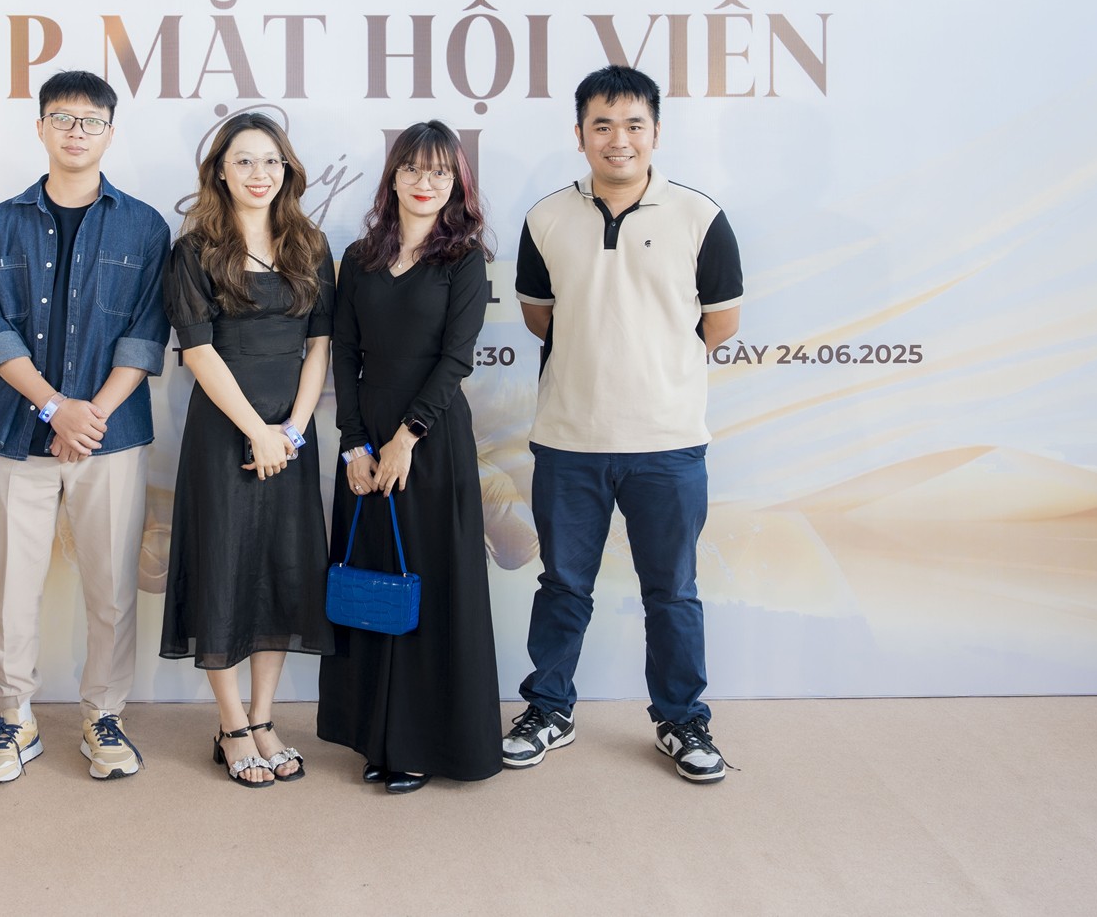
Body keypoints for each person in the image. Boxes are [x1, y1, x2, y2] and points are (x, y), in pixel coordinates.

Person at [502, 65, 744, 783]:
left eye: (634, 124)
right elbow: (539, 315)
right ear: (579, 134)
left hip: (668, 444)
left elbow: (721, 324)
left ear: (656, 132)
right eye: (602, 125)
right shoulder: (546, 218)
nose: (619, 139)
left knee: (672, 592)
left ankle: (682, 720)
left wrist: (654, 368)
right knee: (562, 585)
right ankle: (549, 710)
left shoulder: (699, 217)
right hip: (569, 440)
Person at [0, 70, 171, 785]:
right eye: (62, 117)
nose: (76, 131)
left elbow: (145, 336)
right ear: (41, 127)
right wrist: (56, 407)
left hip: (110, 438)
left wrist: (90, 417)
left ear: (110, 132)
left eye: (90, 120)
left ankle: (103, 715)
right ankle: (14, 718)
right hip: (16, 434)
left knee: (111, 589)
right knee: (13, 588)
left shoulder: (144, 226)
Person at [317, 121, 502, 794]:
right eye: (414, 169)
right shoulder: (359, 257)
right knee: (373, 587)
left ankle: (422, 744)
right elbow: (344, 353)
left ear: (456, 183)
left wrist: (406, 438)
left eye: (441, 172)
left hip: (432, 441)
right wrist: (355, 444)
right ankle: (377, 738)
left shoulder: (465, 261)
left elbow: (456, 359)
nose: (426, 183)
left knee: (428, 585)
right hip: (366, 441)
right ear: (393, 176)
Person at [159, 112, 335, 788]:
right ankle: (231, 724)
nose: (259, 174)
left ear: (286, 170)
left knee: (281, 572)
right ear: (220, 173)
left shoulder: (310, 245)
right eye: (243, 161)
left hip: (291, 439)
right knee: (225, 568)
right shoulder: (196, 250)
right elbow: (199, 353)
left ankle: (264, 718)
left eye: (271, 161)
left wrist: (291, 431)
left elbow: (318, 346)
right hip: (223, 433)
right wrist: (257, 432)